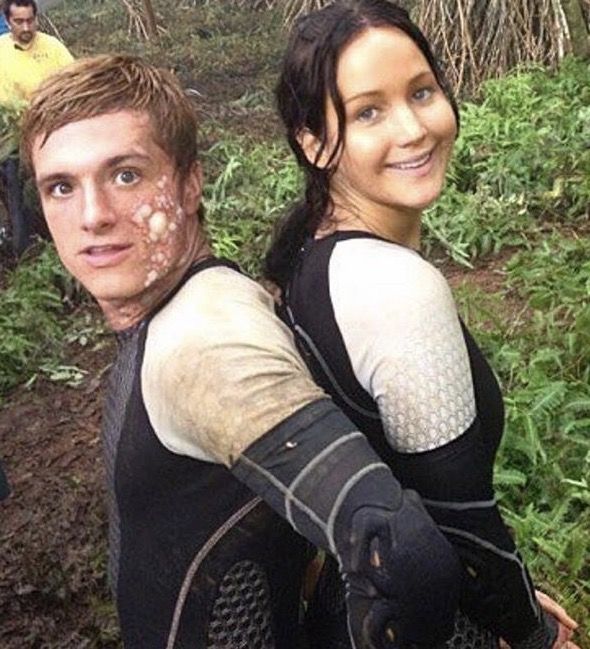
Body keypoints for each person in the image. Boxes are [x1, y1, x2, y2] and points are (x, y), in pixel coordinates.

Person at [21, 54, 466, 649]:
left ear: (190, 180)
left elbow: (399, 554)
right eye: (61, 187)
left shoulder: (206, 342)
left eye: (125, 175)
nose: (93, 216)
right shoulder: (193, 305)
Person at [265, 2, 580, 649]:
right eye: (369, 111)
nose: (413, 128)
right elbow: (461, 523)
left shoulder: (309, 252)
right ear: (313, 140)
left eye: (422, 91)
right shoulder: (396, 286)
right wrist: (534, 630)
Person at [0, 0, 73, 255]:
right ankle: (26, 254)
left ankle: (63, 245)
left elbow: (74, 82)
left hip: (54, 138)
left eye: (31, 20)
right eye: (19, 22)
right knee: (20, 204)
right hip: (15, 144)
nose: (26, 27)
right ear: (8, 22)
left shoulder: (52, 48)